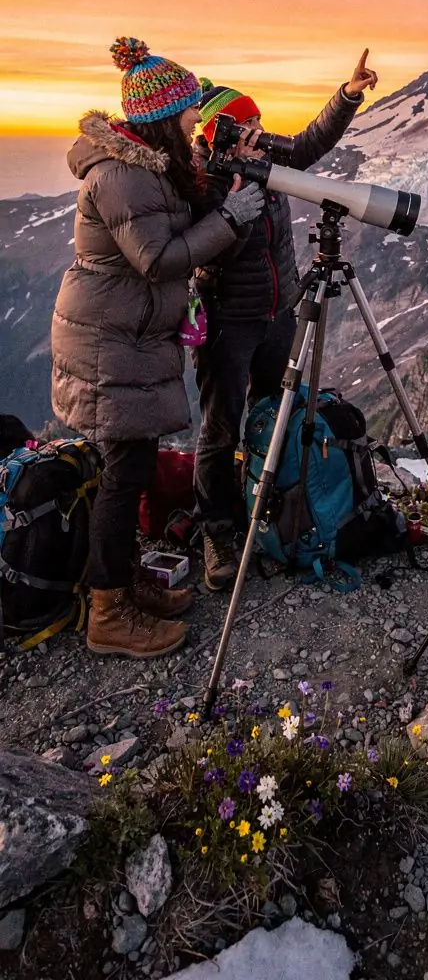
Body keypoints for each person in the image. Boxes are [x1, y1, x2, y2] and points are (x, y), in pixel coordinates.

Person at [51, 37, 264, 659]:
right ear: (163, 117)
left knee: (134, 466)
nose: (197, 119)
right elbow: (157, 259)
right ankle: (108, 613)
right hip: (108, 341)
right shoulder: (123, 176)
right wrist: (230, 220)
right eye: (189, 111)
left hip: (123, 335)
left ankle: (120, 585)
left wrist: (219, 193)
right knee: (123, 475)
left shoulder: (148, 166)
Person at [191, 50, 378, 590]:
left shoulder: (268, 161)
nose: (258, 133)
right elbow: (218, 250)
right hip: (230, 319)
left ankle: (272, 508)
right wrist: (237, 193)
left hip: (279, 312)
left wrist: (347, 95)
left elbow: (308, 143)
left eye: (257, 122)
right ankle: (218, 531)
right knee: (220, 427)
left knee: (274, 414)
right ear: (218, 136)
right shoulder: (206, 182)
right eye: (246, 126)